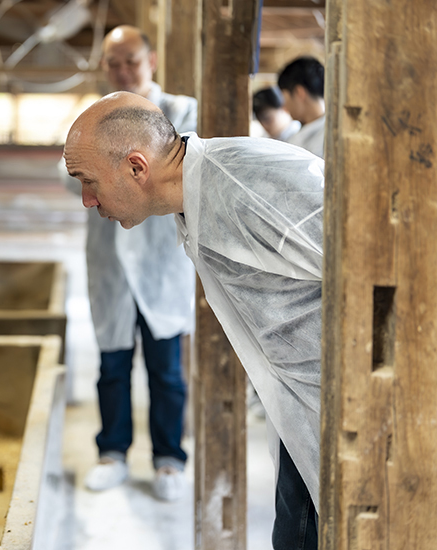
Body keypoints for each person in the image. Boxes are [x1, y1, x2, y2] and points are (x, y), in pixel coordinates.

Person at [64, 91, 323, 549]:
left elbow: (370, 265)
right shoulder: (195, 195)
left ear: (137, 168)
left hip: (339, 404)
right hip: (300, 406)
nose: (87, 200)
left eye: (89, 181)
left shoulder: (243, 183)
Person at [61, 25, 197, 501]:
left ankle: (169, 459)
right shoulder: (90, 117)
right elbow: (69, 176)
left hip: (162, 263)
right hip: (111, 265)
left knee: (167, 370)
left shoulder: (181, 111)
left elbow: (183, 168)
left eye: (131, 62)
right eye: (114, 64)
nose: (123, 71)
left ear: (151, 61)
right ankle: (112, 453)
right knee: (112, 365)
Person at [278, 56, 326, 157]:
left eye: (284, 97)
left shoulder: (327, 138)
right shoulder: (303, 132)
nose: (284, 107)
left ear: (299, 92)